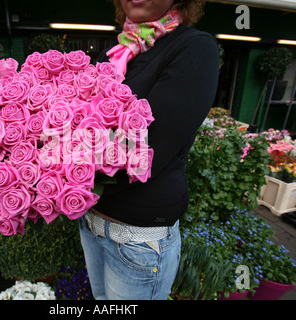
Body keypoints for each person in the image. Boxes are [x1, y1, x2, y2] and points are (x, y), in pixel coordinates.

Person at [79, 0, 219, 300]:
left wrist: (65, 185)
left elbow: (149, 150)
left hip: (137, 239)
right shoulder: (115, 52)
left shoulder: (193, 48)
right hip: (91, 222)